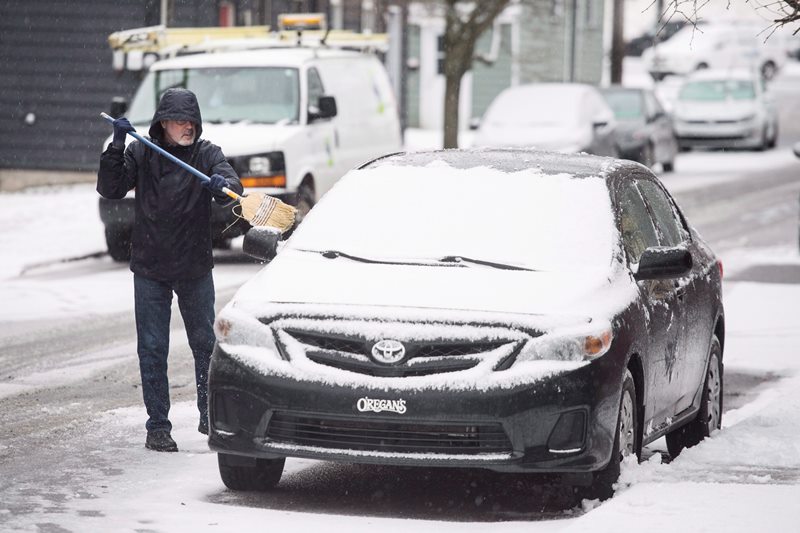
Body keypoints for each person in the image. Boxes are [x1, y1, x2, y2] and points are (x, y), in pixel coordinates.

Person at [97, 88, 243, 452]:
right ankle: (157, 427)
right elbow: (111, 188)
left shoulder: (207, 154)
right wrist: (116, 146)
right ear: (162, 124)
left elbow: (234, 188)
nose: (188, 127)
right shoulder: (143, 152)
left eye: (191, 120)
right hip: (150, 267)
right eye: (180, 121)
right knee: (152, 348)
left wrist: (223, 187)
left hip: (194, 266)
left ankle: (210, 418)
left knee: (205, 345)